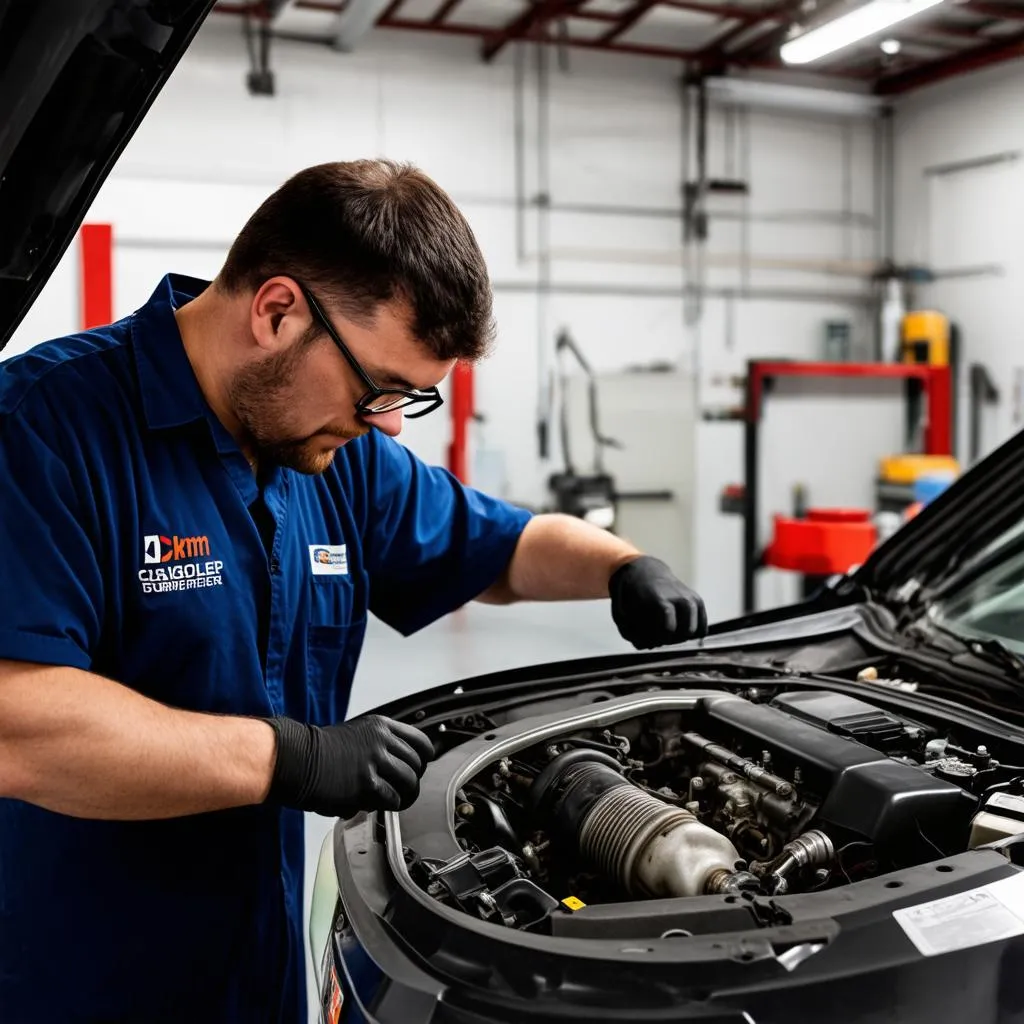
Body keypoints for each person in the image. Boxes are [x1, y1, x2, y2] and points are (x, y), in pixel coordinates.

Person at [0, 159, 708, 1023]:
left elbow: (506, 547)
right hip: (78, 976)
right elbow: (19, 724)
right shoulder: (42, 428)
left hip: (254, 960)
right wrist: (289, 757)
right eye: (380, 388)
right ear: (276, 311)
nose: (387, 422)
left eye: (411, 398)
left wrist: (621, 566)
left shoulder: (333, 452)